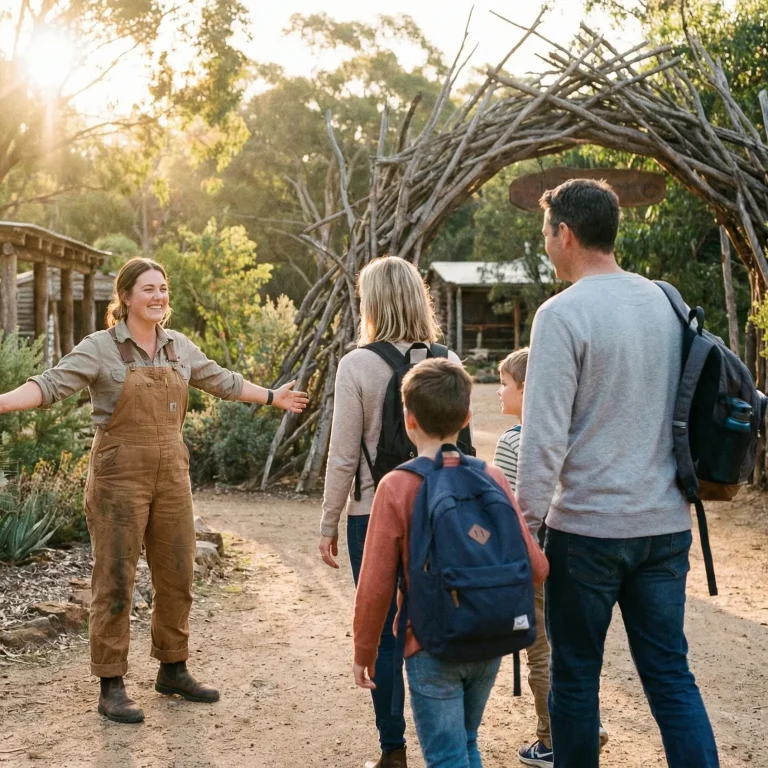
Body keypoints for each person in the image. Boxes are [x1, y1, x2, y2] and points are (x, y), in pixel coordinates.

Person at [0, 257, 308, 724]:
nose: (159, 296)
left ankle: (173, 667)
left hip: (172, 477)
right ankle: (112, 684)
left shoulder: (178, 347)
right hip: (117, 476)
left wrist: (272, 396)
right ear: (125, 297)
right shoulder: (99, 348)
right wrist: (3, 403)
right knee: (116, 580)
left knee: (177, 575)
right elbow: (50, 385)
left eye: (163, 288)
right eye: (148, 289)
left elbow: (221, 381)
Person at [515, 178, 720, 768]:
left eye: (546, 233)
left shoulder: (561, 315)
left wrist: (526, 527)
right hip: (664, 524)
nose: (546, 245)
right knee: (670, 675)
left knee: (576, 678)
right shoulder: (667, 300)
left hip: (587, 533)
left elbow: (544, 437)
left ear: (567, 234)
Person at [353, 358, 549, 768]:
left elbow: (374, 588)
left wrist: (365, 651)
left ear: (408, 419)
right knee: (466, 742)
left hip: (430, 643)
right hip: (489, 638)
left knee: (445, 756)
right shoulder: (491, 476)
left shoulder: (396, 486)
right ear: (466, 418)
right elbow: (537, 567)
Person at [318, 256, 462, 768]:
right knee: (437, 618)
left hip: (371, 510)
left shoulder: (357, 365)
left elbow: (342, 452)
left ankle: (393, 749)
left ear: (372, 303)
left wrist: (328, 520)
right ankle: (453, 744)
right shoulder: (446, 360)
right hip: (436, 509)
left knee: (382, 628)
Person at [494, 348, 609, 766]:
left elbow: (503, 509)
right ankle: (585, 724)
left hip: (533, 562)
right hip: (576, 552)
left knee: (541, 652)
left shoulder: (512, 442)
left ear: (527, 389)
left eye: (504, 384)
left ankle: (552, 738)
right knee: (575, 647)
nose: (498, 392)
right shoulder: (570, 432)